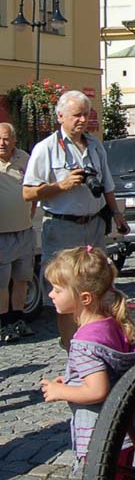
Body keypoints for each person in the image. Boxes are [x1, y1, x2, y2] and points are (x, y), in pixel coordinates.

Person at [39, 246, 135, 480]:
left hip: (100, 435)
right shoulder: (110, 324)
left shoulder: (84, 340)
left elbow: (96, 390)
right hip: (127, 433)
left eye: (57, 289)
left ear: (84, 297)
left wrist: (59, 391)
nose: (51, 294)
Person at [22, 91, 130, 347]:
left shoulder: (95, 146)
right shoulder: (46, 148)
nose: (82, 120)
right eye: (77, 115)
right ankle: (73, 350)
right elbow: (28, 192)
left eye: (86, 115)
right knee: (67, 293)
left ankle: (97, 345)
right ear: (60, 116)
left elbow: (107, 185)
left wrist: (117, 214)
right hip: (62, 227)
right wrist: (61, 186)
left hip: (93, 225)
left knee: (99, 288)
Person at [0, 123, 35, 342]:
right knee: (1, 283)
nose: (2, 143)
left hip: (24, 230)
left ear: (14, 140)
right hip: (1, 233)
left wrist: (31, 212)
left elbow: (34, 186)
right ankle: (4, 324)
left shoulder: (24, 158)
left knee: (22, 278)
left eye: (6, 138)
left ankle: (19, 320)